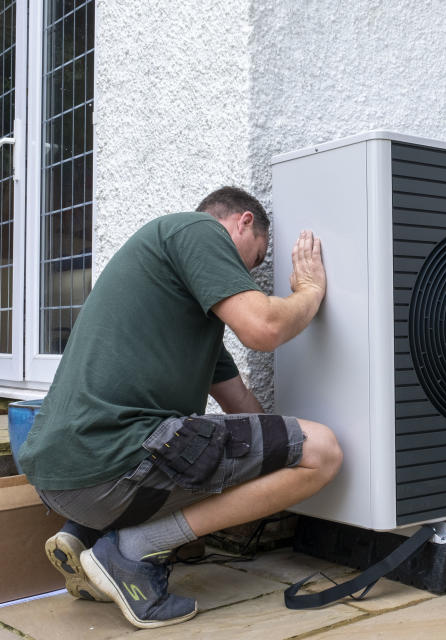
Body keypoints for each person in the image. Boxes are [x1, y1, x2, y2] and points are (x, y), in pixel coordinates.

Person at [17, 186, 343, 628]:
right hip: (107, 465)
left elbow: (242, 406)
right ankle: (131, 553)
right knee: (322, 451)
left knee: (243, 444)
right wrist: (309, 291)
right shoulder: (197, 229)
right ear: (242, 222)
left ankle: (84, 535)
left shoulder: (188, 314)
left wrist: (276, 456)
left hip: (64, 474)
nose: (252, 269)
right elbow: (264, 328)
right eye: (258, 256)